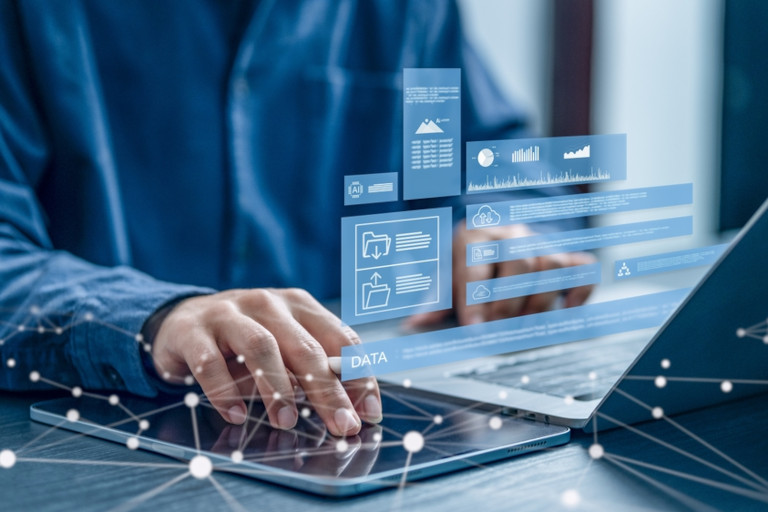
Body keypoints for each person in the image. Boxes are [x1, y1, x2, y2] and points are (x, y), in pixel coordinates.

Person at [0, 0, 592, 437]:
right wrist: (156, 319)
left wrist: (511, 234)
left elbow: (500, 160)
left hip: (358, 437)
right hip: (90, 444)